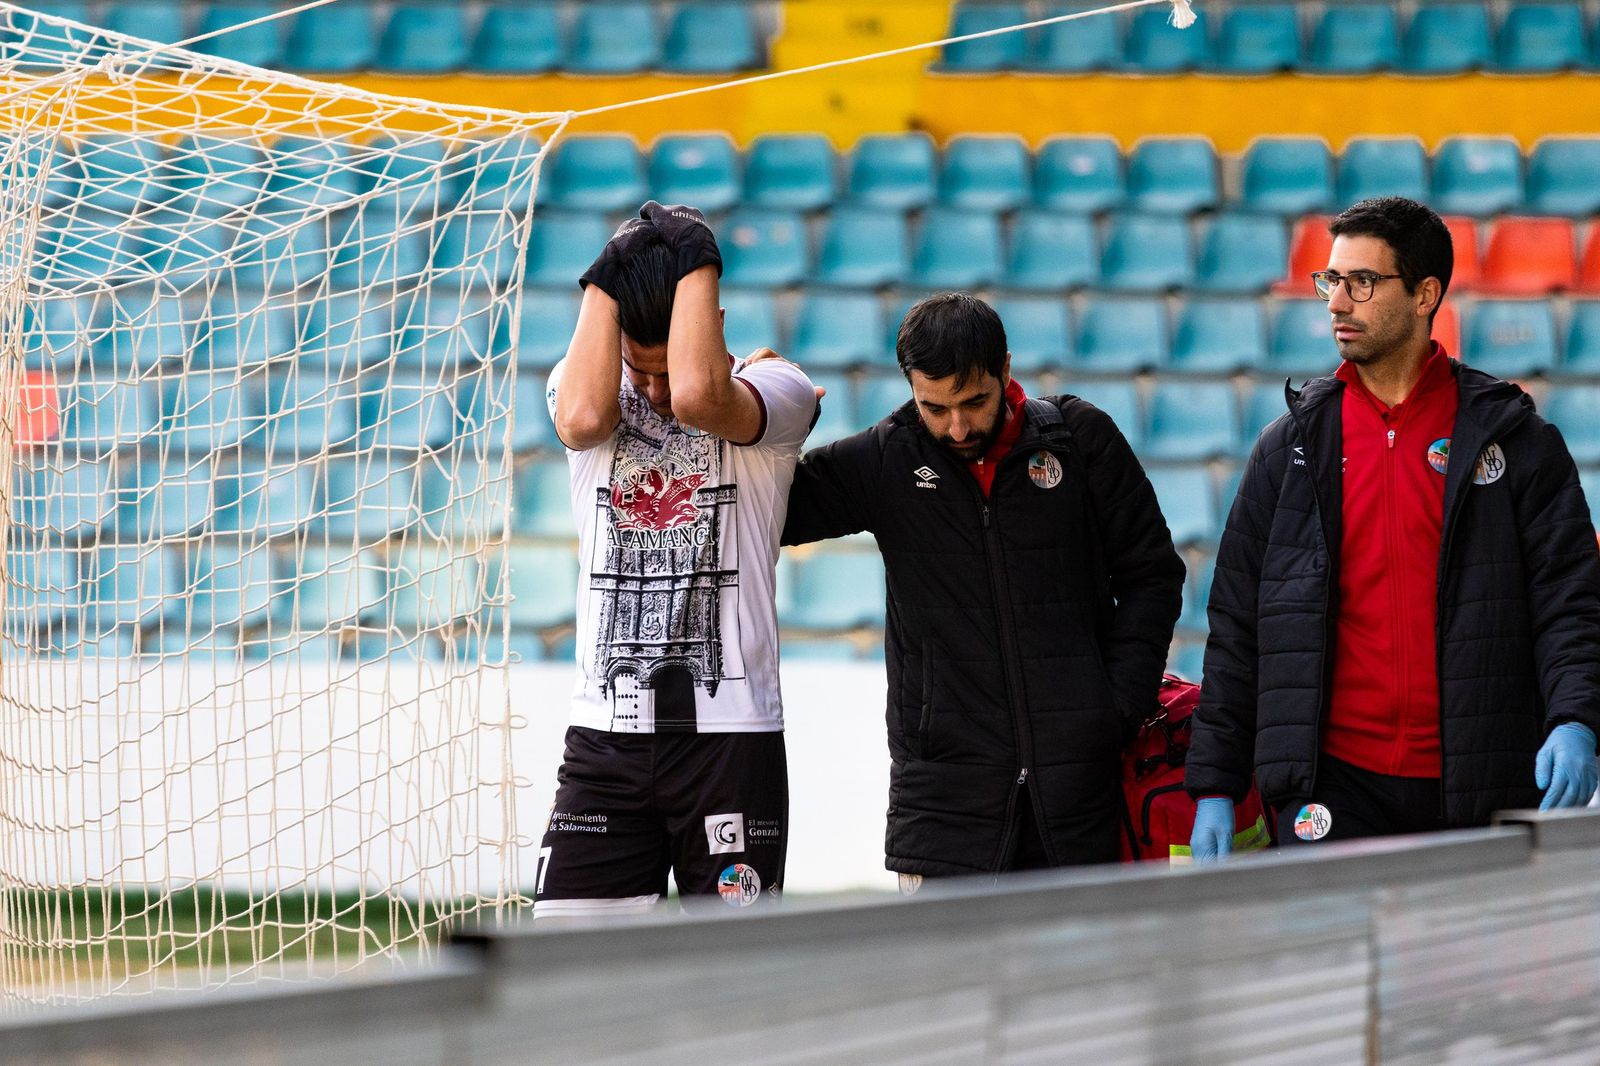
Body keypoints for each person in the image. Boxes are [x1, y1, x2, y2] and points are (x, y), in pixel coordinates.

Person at [1186, 196, 1600, 860]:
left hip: (1478, 782)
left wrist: (1576, 718)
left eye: (1362, 282)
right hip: (1331, 788)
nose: (1336, 302)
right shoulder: (1289, 447)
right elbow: (1239, 625)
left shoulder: (1513, 440)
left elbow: (1571, 603)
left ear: (1424, 295)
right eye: (1331, 280)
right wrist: (1213, 784)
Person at [778, 292, 1185, 887]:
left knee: (1076, 980)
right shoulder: (886, 458)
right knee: (949, 983)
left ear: (1006, 370)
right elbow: (765, 513)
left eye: (974, 401)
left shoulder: (1080, 439)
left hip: (1078, 794)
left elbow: (1153, 574)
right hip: (942, 801)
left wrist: (1113, 708)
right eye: (934, 408)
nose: (958, 426)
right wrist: (777, 419)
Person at [536, 202, 818, 917]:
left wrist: (696, 252)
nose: (655, 392)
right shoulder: (586, 386)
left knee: (731, 987)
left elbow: (697, 397)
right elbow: (580, 421)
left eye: (665, 367)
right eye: (641, 368)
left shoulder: (778, 389)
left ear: (712, 324)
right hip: (605, 737)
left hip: (730, 742)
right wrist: (610, 268)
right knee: (564, 978)